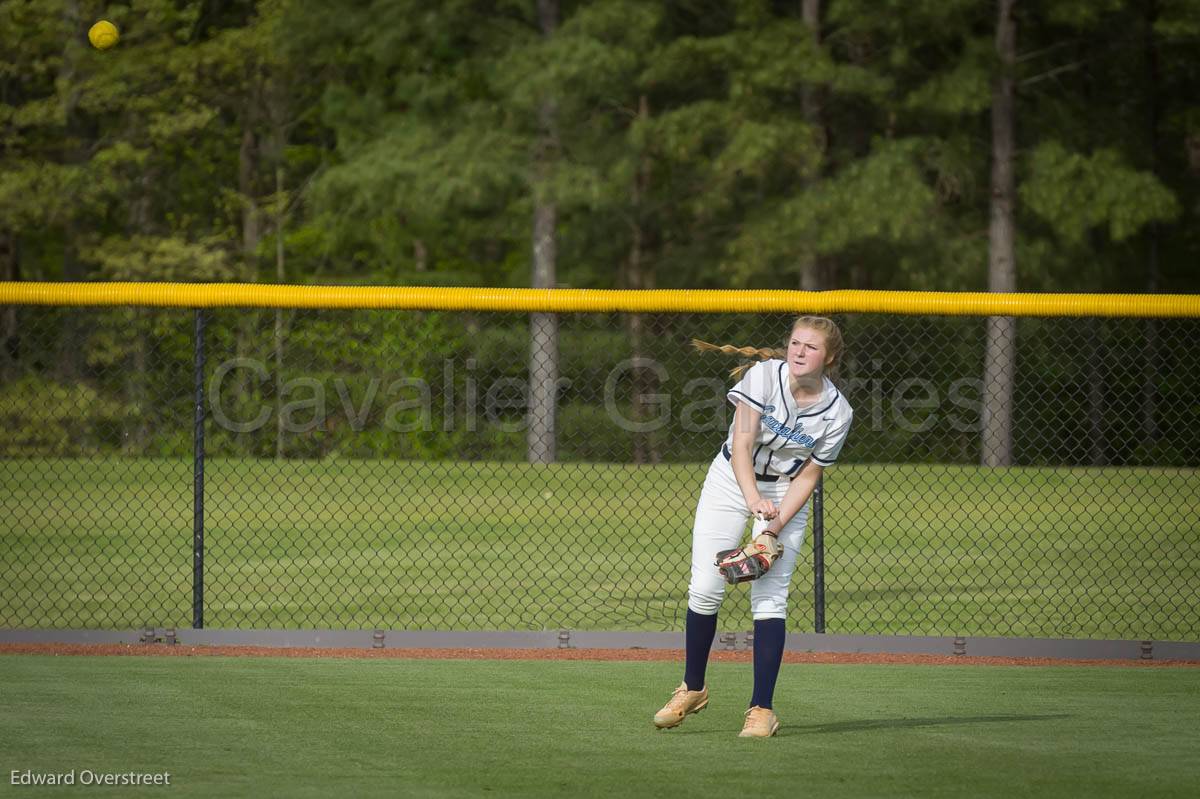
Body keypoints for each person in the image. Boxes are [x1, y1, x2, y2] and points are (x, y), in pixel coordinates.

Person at [653, 316, 853, 738]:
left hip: (785, 494)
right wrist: (752, 503)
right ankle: (692, 687)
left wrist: (771, 527)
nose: (799, 352)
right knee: (706, 587)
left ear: (829, 357)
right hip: (731, 479)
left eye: (811, 347)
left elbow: (809, 477)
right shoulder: (764, 376)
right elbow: (742, 444)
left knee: (770, 599)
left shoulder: (838, 412)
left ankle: (762, 708)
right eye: (795, 343)